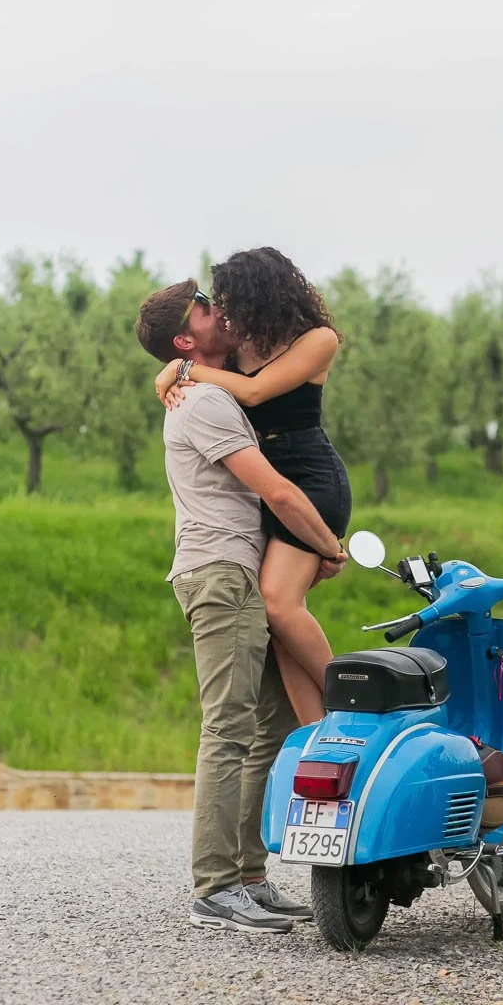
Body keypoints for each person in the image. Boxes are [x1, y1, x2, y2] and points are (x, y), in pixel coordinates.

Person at [135, 279, 348, 934]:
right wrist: (326, 545)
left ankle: (250, 877)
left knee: (270, 728)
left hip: (241, 573)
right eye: (204, 306)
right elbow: (279, 494)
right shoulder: (203, 403)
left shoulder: (204, 383)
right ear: (184, 337)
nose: (218, 309)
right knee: (228, 729)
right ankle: (215, 887)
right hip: (221, 573)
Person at [153, 248, 351, 726]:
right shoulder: (237, 350)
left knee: (279, 601)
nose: (223, 310)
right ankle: (316, 734)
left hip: (309, 480)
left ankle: (356, 703)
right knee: (279, 622)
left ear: (262, 295)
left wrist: (184, 370)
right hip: (267, 486)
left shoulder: (317, 340)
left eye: (229, 299)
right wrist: (169, 371)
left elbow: (257, 391)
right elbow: (200, 363)